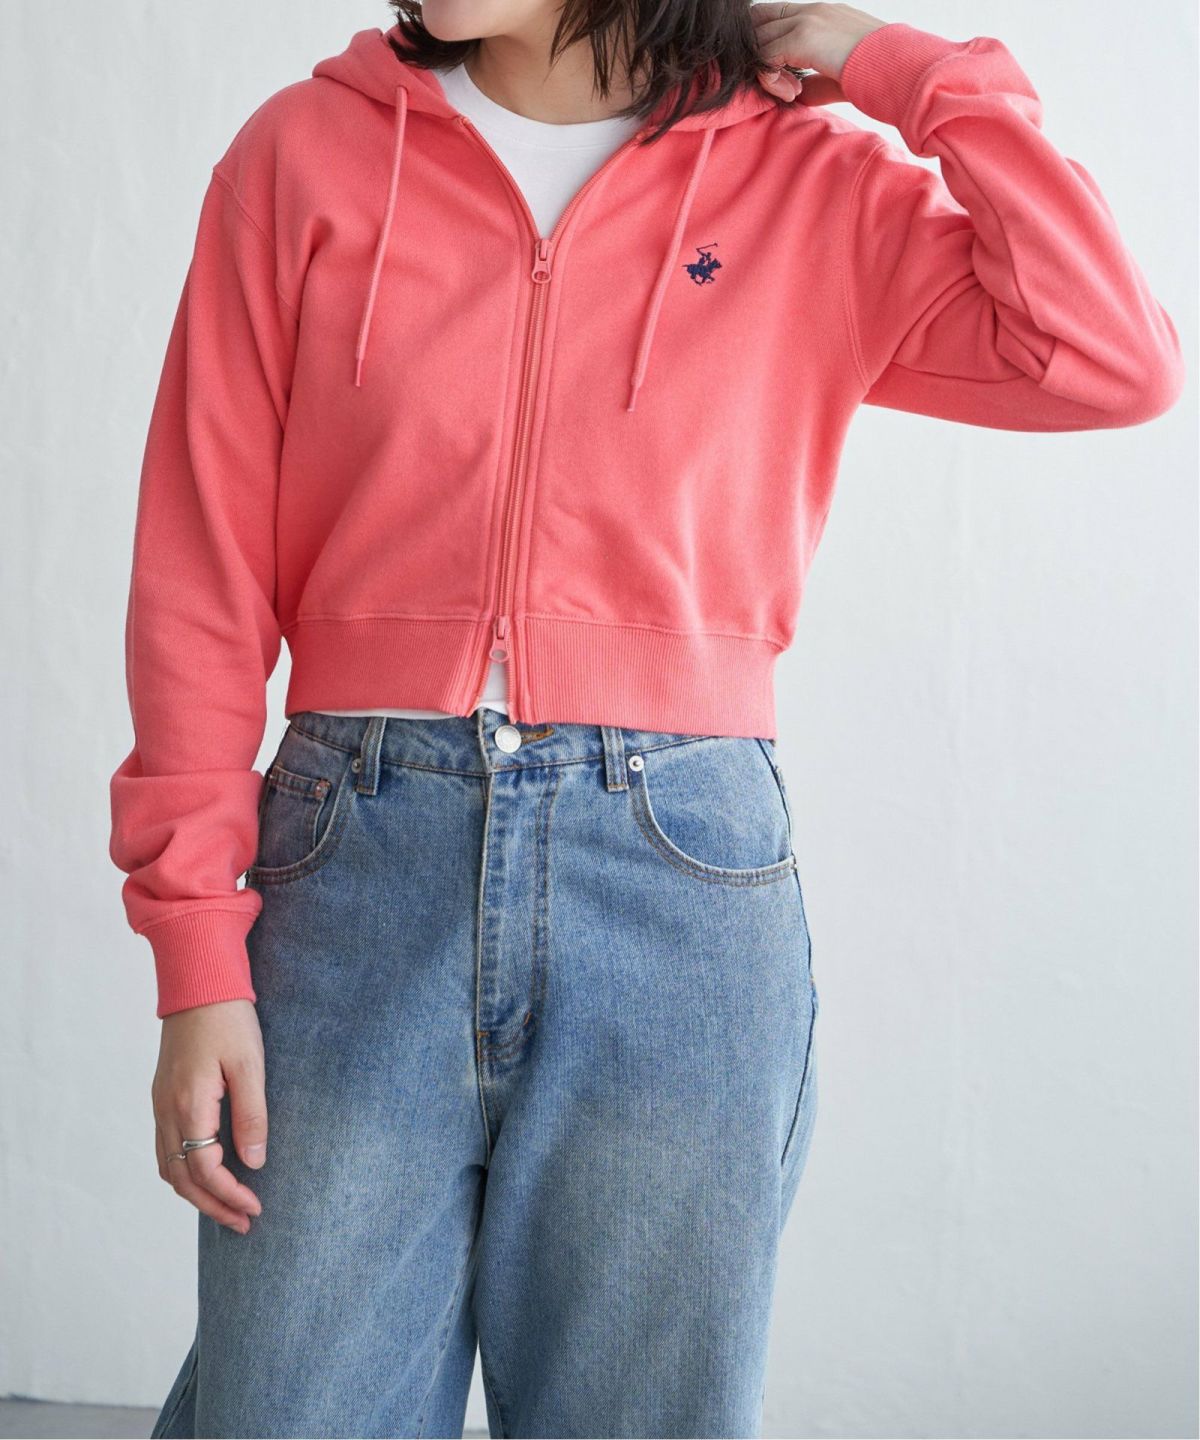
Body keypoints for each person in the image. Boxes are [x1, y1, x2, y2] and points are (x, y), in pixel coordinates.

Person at [107, 0, 1184, 1435]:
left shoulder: (809, 186)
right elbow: (200, 569)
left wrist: (902, 69)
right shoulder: (305, 153)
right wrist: (195, 953)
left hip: (676, 883)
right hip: (353, 860)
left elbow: (1109, 357)